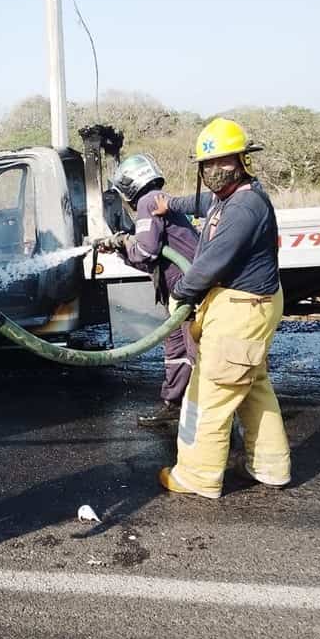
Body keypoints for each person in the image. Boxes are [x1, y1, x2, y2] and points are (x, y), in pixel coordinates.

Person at [152, 118, 290, 499]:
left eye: (223, 162)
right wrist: (169, 205)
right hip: (252, 305)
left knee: (209, 393)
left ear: (241, 161)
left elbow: (211, 262)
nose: (214, 171)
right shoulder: (230, 196)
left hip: (241, 309)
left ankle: (196, 477)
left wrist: (182, 293)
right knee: (252, 386)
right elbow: (200, 202)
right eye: (208, 165)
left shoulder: (243, 208)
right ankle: (271, 466)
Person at [101, 153, 199, 426]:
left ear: (128, 186)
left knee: (196, 352)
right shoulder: (158, 198)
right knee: (176, 346)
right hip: (180, 291)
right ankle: (174, 403)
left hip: (191, 291)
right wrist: (121, 249)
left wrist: (123, 243)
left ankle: (209, 420)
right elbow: (151, 258)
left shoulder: (147, 202)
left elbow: (145, 251)